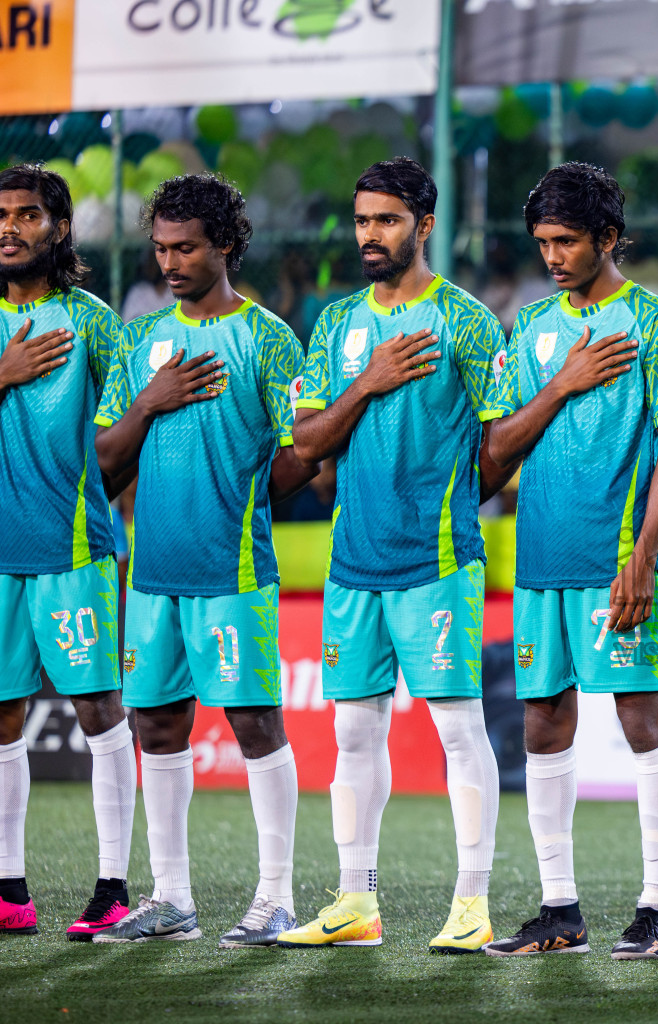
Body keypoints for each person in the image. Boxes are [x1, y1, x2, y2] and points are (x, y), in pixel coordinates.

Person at [277, 157, 505, 955]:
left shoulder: (469, 322)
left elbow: (499, 444)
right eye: (362, 219)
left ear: (425, 225)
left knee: (457, 730)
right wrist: (369, 381)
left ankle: (472, 902)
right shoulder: (338, 323)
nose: (370, 235)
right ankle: (356, 902)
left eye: (387, 221)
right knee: (352, 736)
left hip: (437, 559)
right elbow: (305, 443)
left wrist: (447, 501)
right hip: (352, 564)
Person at [91, 173, 315, 946]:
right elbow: (106, 465)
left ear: (224, 245)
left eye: (185, 247)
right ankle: (173, 899)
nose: (170, 262)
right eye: (160, 248)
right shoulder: (139, 341)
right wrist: (149, 402)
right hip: (151, 573)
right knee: (156, 722)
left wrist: (242, 488)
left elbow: (299, 459)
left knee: (254, 720)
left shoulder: (268, 337)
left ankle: (276, 897)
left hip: (233, 572)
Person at [481, 163, 658, 960]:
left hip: (614, 563)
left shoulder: (654, 322)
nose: (554, 256)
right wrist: (563, 382)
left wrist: (642, 556)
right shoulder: (532, 328)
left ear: (608, 239)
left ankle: (656, 908)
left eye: (568, 242)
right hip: (539, 564)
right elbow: (493, 455)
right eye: (543, 243)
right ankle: (558, 910)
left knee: (640, 715)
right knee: (542, 718)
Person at [0, 164, 137, 940]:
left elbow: (123, 438)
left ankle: (113, 886)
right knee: (1, 715)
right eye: (1, 216)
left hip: (75, 548)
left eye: (27, 215)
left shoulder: (93, 323)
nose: (10, 228)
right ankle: (10, 889)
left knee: (97, 709)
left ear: (58, 228)